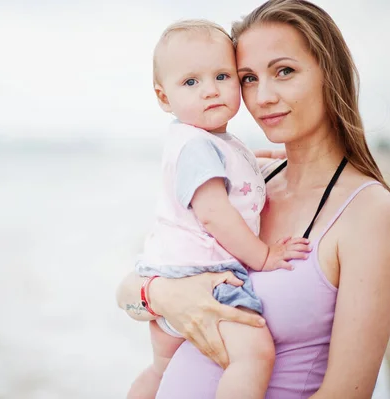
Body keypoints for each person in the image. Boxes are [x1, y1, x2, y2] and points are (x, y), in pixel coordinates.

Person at [117, 0, 390, 398]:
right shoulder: (248, 184)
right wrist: (165, 295)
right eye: (247, 78)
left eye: (284, 71)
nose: (262, 96)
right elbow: (128, 290)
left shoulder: (369, 212)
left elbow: (346, 393)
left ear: (330, 74)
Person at [127, 19, 311, 399]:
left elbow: (235, 175)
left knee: (161, 370)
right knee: (255, 355)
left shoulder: (206, 141)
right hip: (204, 276)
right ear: (164, 98)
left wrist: (273, 159)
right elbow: (213, 213)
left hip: (169, 272)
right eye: (191, 82)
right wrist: (262, 256)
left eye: (223, 76)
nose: (210, 91)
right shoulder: (198, 147)